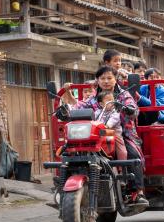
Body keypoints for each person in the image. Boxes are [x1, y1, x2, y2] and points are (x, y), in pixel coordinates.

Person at [61, 66, 148, 204]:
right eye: (102, 78)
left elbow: (133, 107)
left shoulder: (123, 95)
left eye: (109, 78)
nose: (106, 81)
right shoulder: (94, 97)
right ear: (98, 80)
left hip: (123, 133)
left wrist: (130, 109)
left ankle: (138, 192)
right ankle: (66, 188)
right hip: (98, 135)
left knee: (133, 155)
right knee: (69, 153)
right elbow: (80, 106)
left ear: (115, 79)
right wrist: (67, 109)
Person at [95, 90, 126, 161]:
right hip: (101, 133)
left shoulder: (115, 113)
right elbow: (93, 121)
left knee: (122, 150)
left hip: (113, 133)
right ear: (101, 104)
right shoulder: (97, 112)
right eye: (108, 101)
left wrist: (106, 126)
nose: (112, 102)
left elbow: (110, 123)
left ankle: (123, 165)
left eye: (112, 100)